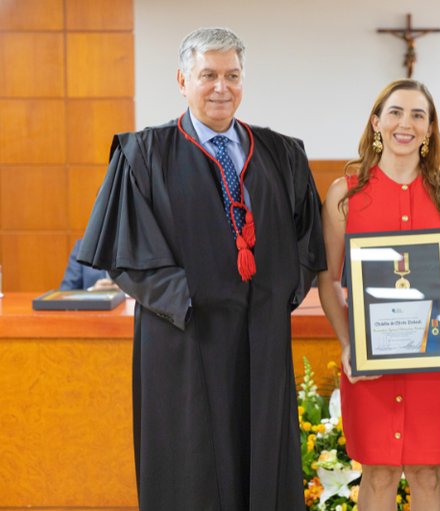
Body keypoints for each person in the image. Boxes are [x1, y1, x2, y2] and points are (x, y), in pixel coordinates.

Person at [76, 28, 325, 511]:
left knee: (262, 456)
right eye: (208, 75)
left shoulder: (281, 153)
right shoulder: (144, 155)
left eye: (232, 75)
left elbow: (307, 239)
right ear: (183, 79)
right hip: (185, 337)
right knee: (192, 463)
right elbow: (127, 251)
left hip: (260, 336)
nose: (220, 87)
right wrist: (194, 296)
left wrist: (275, 293)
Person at [318, 79, 440, 511]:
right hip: (370, 362)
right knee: (379, 473)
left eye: (418, 115)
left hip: (433, 362)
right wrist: (349, 345)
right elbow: (329, 280)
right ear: (376, 122)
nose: (406, 123)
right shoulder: (344, 194)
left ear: (429, 130)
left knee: (428, 474)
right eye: (395, 112)